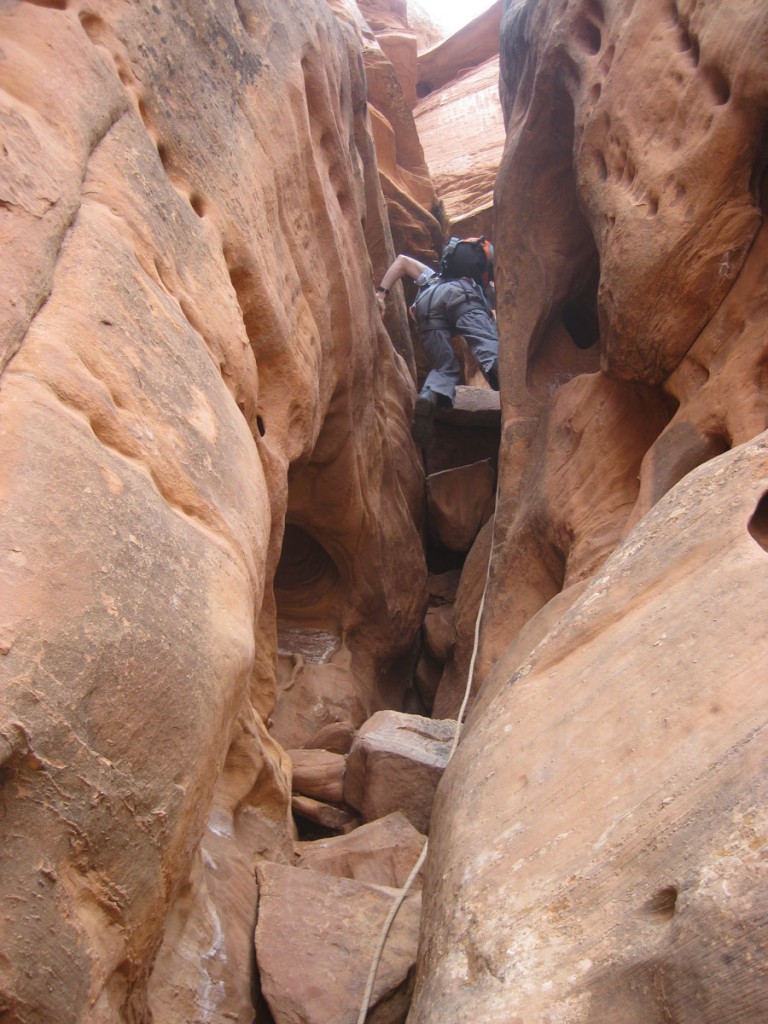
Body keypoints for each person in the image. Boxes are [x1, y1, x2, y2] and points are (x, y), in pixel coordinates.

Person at [376, 243, 499, 446]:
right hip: (462, 297)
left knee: (444, 367)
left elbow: (402, 261)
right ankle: (498, 370)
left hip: (426, 305)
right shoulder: (479, 286)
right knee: (487, 345)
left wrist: (381, 294)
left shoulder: (432, 276)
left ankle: (429, 394)